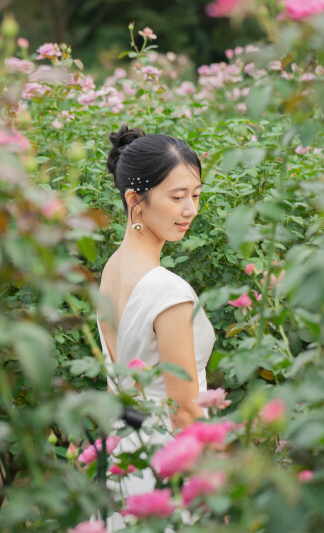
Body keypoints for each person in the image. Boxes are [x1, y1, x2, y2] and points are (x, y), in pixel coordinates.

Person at [96, 125, 215, 530]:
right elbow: (184, 411)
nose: (191, 210)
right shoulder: (168, 291)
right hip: (168, 462)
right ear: (136, 200)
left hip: (124, 454)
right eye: (177, 197)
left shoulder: (112, 270)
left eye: (196, 196)